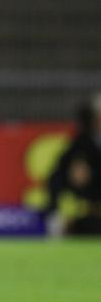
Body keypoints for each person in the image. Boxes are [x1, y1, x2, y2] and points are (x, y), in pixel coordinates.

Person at [45, 94, 101, 235]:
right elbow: (62, 170)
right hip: (88, 198)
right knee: (57, 178)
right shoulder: (81, 142)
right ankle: (59, 220)